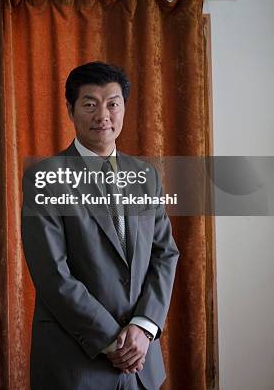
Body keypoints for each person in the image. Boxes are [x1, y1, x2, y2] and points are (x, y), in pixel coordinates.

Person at [21, 62, 179, 390]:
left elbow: (165, 254)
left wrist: (144, 326)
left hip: (141, 363)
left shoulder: (146, 176)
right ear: (70, 108)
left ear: (123, 108)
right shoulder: (45, 178)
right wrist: (114, 341)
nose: (103, 114)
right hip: (75, 364)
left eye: (113, 103)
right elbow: (53, 274)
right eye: (90, 103)